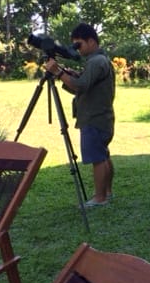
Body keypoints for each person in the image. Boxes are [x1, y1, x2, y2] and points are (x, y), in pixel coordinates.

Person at [45, 22, 115, 208]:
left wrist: (58, 72)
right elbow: (83, 85)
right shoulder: (98, 61)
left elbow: (81, 86)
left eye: (79, 44)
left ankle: (100, 198)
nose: (77, 49)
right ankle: (107, 193)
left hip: (94, 118)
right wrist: (67, 74)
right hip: (101, 117)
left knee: (97, 159)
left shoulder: (97, 62)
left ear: (91, 41)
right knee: (103, 155)